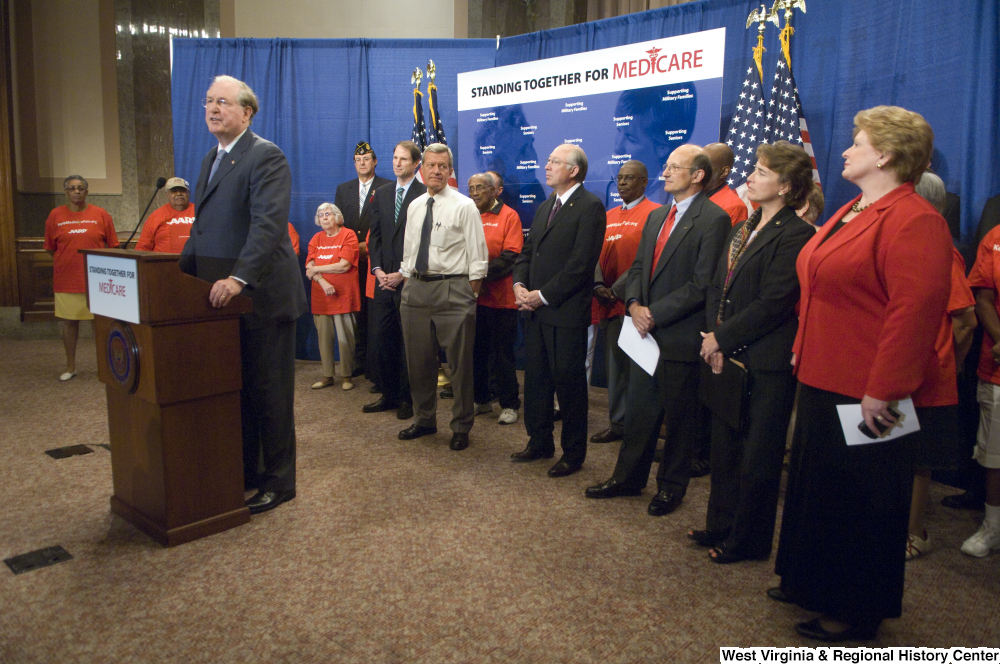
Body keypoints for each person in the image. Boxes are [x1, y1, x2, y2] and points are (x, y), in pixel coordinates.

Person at [772, 106, 951, 642]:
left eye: (857, 142)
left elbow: (913, 314)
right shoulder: (853, 208)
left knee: (862, 502)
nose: (846, 150)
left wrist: (884, 390)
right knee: (819, 491)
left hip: (868, 391)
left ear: (887, 155)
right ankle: (811, 582)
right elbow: (818, 288)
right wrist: (803, 348)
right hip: (824, 377)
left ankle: (855, 609)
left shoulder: (917, 219)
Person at [178, 75, 306, 515]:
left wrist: (238, 279)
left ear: (246, 112)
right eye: (208, 101)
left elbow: (267, 227)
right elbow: (203, 228)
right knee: (239, 392)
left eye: (223, 102)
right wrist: (178, 276)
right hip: (221, 302)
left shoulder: (265, 156)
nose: (213, 109)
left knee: (269, 394)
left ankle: (279, 482)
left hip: (261, 298)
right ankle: (247, 472)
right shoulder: (211, 158)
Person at [584, 145, 729, 511]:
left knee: (680, 419)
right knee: (640, 411)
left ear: (697, 175)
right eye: (665, 167)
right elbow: (637, 271)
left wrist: (653, 313)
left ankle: (670, 487)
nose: (664, 173)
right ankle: (627, 478)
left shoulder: (714, 219)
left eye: (673, 168)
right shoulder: (656, 217)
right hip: (643, 331)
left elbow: (701, 284)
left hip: (677, 334)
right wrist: (633, 305)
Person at [690, 141, 815, 564]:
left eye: (762, 172)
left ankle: (748, 540)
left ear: (786, 186)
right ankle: (719, 523)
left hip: (766, 361)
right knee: (724, 448)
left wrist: (721, 340)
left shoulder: (796, 235)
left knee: (757, 456)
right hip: (725, 351)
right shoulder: (743, 226)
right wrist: (713, 338)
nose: (751, 177)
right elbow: (715, 286)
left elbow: (774, 302)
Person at [511, 144, 606, 477]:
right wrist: (519, 287)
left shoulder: (590, 206)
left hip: (564, 313)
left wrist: (543, 295)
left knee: (569, 386)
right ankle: (539, 442)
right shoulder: (544, 207)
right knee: (536, 382)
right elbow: (526, 254)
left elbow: (581, 265)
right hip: (534, 312)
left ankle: (573, 453)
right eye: (548, 160)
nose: (546, 166)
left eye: (554, 161)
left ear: (574, 170)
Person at [902, 172, 977, 560]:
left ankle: (916, 532)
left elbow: (965, 320)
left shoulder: (942, 250)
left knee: (918, 459)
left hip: (929, 375)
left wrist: (953, 364)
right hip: (897, 370)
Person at [397, 144, 488, 451]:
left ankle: (461, 425)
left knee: (460, 365)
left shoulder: (464, 206)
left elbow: (478, 257)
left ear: (450, 172)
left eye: (442, 166)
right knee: (418, 361)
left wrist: (470, 294)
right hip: (415, 290)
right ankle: (424, 420)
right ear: (421, 170)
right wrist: (409, 283)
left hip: (454, 289)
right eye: (431, 165)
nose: (436, 171)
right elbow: (410, 250)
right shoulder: (415, 206)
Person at [589, 160, 660, 445]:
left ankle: (639, 429)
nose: (622, 183)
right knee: (616, 370)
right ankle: (617, 423)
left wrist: (617, 290)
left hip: (634, 303)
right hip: (605, 302)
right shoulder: (607, 214)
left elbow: (647, 260)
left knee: (639, 371)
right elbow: (592, 251)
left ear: (644, 182)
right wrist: (597, 285)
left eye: (629, 178)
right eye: (619, 178)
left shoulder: (655, 214)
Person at [365, 140, 426, 420]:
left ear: (416, 164)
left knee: (407, 343)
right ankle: (388, 395)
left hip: (409, 281)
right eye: (395, 158)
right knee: (383, 339)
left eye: (404, 159)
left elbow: (427, 241)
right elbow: (374, 236)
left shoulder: (425, 194)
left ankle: (406, 398)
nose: (397, 163)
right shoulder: (383, 192)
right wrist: (377, 269)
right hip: (383, 281)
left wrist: (403, 272)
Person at [43, 175, 119, 381]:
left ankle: (105, 367)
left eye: (80, 188)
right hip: (67, 279)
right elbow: (51, 248)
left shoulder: (100, 214)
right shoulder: (55, 215)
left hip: (97, 280)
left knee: (100, 324)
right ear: (66, 192)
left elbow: (113, 245)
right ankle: (70, 366)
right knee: (69, 323)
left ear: (87, 191)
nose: (76, 191)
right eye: (72, 188)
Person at [468, 172, 523, 425]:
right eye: (471, 188)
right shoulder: (468, 214)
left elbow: (511, 256)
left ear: (493, 191)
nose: (475, 192)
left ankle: (509, 404)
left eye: (480, 187)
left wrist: (478, 276)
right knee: (476, 352)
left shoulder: (509, 215)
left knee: (502, 355)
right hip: (472, 299)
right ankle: (480, 399)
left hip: (501, 300)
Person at [961, 210, 1000, 558]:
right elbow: (982, 297)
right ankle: (992, 527)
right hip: (997, 365)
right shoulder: (995, 237)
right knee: (993, 453)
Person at [335, 142, 392, 379]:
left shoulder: (387, 187)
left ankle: (374, 363)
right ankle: (357, 360)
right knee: (354, 312)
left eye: (366, 159)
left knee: (373, 312)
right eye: (358, 160)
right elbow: (338, 224)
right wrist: (350, 248)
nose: (362, 163)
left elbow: (389, 224)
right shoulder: (343, 189)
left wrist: (368, 247)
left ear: (375, 162)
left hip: (374, 259)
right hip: (350, 261)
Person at [306, 203, 360, 391]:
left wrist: (316, 270)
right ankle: (328, 375)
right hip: (321, 295)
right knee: (324, 337)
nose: (324, 217)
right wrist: (323, 281)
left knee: (346, 338)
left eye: (328, 214)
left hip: (344, 296)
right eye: (320, 215)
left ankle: (347, 376)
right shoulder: (316, 238)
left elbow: (344, 265)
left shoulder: (348, 235)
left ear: (337, 217)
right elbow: (309, 268)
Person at [134, 177, 195, 252]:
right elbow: (142, 247)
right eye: (174, 191)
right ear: (167, 194)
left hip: (195, 262)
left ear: (188, 193)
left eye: (182, 190)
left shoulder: (200, 212)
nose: (179, 194)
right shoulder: (156, 215)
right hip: (162, 262)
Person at [703, 143, 750, 226]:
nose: (698, 171)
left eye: (706, 166)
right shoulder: (690, 197)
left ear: (724, 172)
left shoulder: (735, 207)